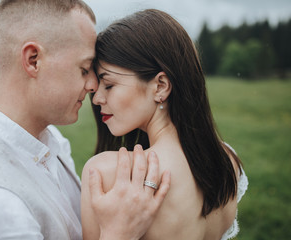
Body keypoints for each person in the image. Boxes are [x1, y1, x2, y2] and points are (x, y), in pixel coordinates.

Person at [0, 2, 172, 239]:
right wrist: (119, 234)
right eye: (84, 68)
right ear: (33, 60)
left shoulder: (48, 138)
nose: (92, 86)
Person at [81, 9, 248, 240]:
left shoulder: (107, 173)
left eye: (108, 85)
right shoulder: (226, 160)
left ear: (160, 86)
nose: (97, 98)